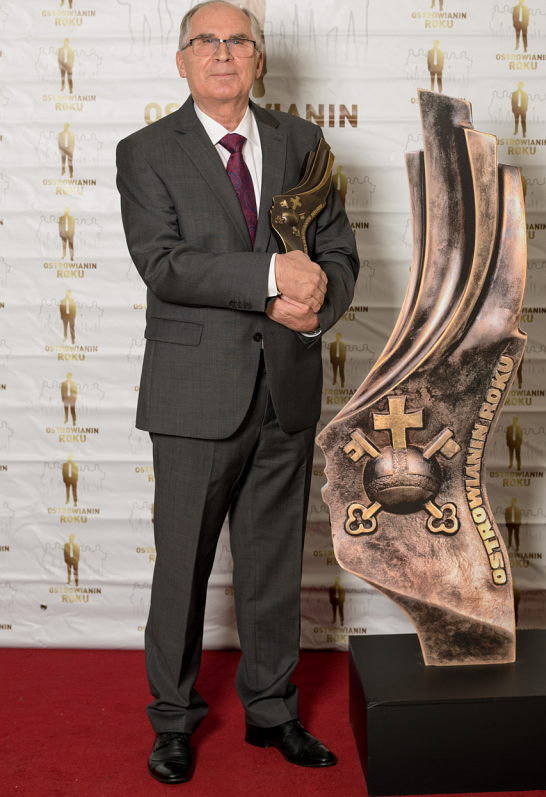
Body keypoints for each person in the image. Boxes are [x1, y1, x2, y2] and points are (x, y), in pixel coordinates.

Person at [116, 0, 358, 784]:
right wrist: (270, 278)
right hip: (194, 395)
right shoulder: (146, 152)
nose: (222, 53)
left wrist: (319, 305)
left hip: (285, 386)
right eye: (205, 41)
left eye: (238, 41)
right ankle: (173, 721)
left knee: (272, 564)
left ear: (258, 58)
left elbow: (338, 251)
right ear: (182, 60)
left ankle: (272, 710)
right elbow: (164, 263)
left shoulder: (302, 141)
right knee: (182, 568)